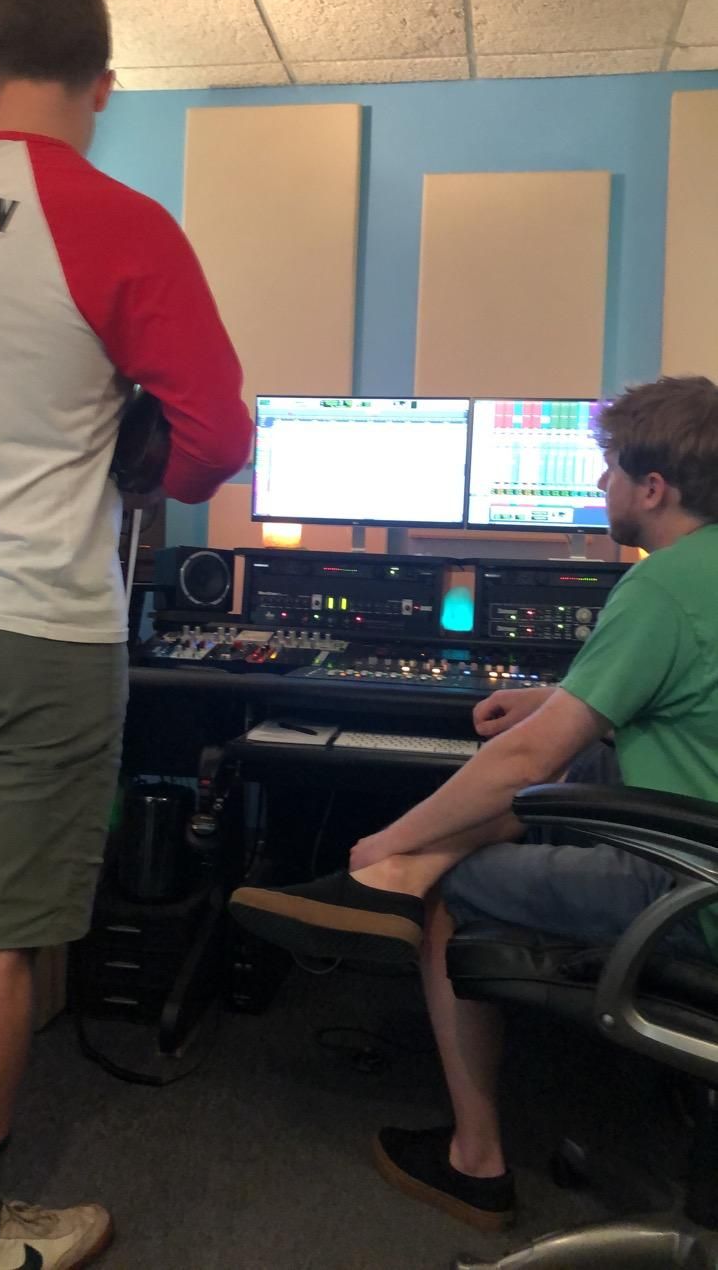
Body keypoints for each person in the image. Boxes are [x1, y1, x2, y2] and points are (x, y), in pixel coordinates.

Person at [231, 374, 718, 1230]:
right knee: (582, 761)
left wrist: (387, 836)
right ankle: (400, 878)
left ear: (652, 489)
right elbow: (676, 694)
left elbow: (524, 759)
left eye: (609, 470)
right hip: (701, 844)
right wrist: (559, 697)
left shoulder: (661, 588)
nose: (599, 484)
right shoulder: (700, 576)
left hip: (689, 889)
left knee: (464, 877)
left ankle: (474, 1160)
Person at [0, 0, 252, 1270]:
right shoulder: (118, 221)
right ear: (106, 85)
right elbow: (215, 442)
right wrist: (142, 468)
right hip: (35, 624)